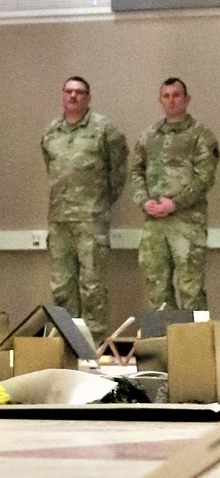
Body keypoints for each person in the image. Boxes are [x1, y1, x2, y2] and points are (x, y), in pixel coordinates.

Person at [40, 76, 128, 344]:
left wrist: (99, 204)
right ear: (62, 95)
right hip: (59, 220)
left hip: (91, 219)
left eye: (80, 92)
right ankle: (67, 345)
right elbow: (51, 169)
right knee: (62, 287)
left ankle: (94, 347)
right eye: (69, 91)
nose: (73, 96)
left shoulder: (104, 130)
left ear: (88, 98)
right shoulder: (51, 132)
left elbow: (119, 172)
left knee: (92, 286)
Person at [129, 78, 220, 312]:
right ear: (160, 100)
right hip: (154, 224)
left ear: (187, 99)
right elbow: (136, 171)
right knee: (157, 291)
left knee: (191, 290)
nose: (171, 100)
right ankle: (164, 346)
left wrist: (175, 203)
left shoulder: (201, 135)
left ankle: (194, 347)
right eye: (166, 96)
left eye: (176, 95)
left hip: (186, 223)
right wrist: (144, 200)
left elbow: (204, 178)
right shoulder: (149, 135)